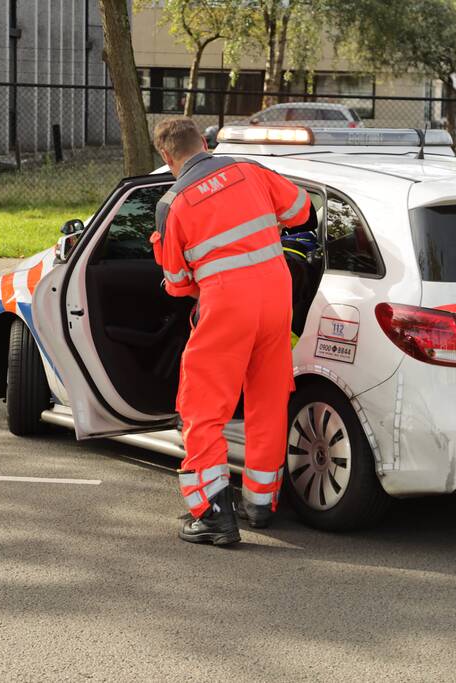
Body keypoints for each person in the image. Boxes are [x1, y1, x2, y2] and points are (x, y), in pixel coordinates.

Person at [150, 117, 311, 545]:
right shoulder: (249, 169)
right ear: (204, 143)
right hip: (277, 296)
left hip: (225, 304)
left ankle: (213, 515)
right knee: (268, 399)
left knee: (203, 407)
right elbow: (301, 211)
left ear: (167, 156)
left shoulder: (172, 203)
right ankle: (260, 503)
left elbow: (177, 283)